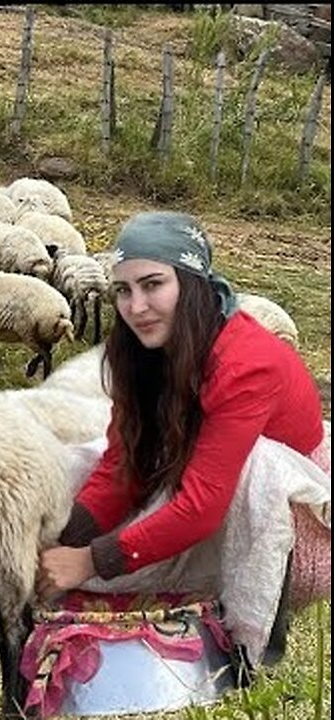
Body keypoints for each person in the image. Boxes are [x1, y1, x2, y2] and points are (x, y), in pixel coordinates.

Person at [36, 211, 329, 666]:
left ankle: (256, 637)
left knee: (259, 470)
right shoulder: (139, 351)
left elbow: (203, 505)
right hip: (199, 477)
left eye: (153, 285)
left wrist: (91, 561)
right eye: (124, 290)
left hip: (296, 517)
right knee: (82, 458)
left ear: (191, 283)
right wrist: (60, 542)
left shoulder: (247, 364)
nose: (135, 307)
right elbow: (122, 465)